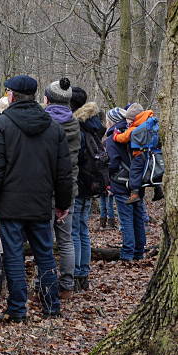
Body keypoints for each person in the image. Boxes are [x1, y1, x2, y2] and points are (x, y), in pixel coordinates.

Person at [0, 75, 72, 322]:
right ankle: (51, 307)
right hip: (41, 204)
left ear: (11, 95)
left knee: (14, 257)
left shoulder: (0, 126)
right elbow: (64, 171)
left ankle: (18, 309)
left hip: (10, 206)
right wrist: (63, 203)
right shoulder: (53, 128)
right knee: (45, 256)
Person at [43, 78, 80, 297]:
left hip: (46, 189)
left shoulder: (43, 123)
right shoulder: (75, 123)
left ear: (47, 99)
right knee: (66, 239)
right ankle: (67, 284)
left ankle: (45, 280)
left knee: (45, 238)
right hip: (70, 187)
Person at [72, 96, 105, 291]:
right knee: (83, 230)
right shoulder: (93, 125)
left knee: (75, 230)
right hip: (90, 184)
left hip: (79, 184)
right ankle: (83, 272)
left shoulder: (78, 127)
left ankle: (77, 273)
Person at [104, 107, 147, 261]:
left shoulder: (112, 139)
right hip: (138, 184)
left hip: (122, 185)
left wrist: (107, 175)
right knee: (138, 218)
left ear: (112, 121)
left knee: (127, 220)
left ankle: (127, 254)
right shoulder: (135, 133)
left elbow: (113, 163)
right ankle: (139, 252)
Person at [111, 103, 155, 204]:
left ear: (133, 118)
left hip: (139, 154)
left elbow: (123, 138)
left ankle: (134, 193)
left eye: (128, 121)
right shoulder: (149, 123)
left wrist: (115, 136)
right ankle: (158, 189)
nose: (127, 123)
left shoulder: (134, 128)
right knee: (150, 171)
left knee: (134, 173)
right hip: (151, 153)